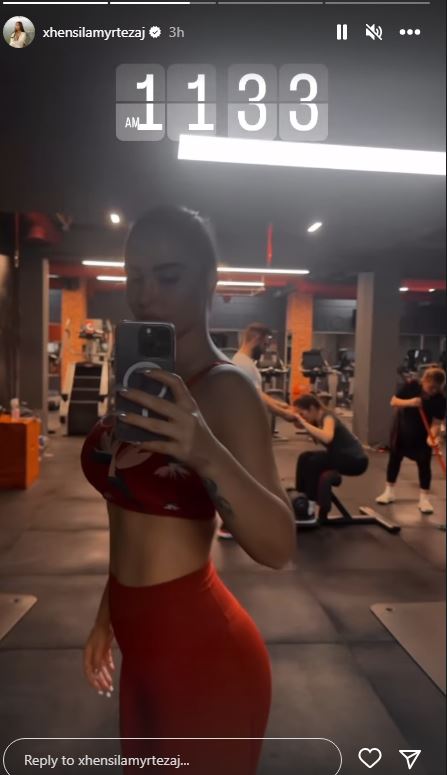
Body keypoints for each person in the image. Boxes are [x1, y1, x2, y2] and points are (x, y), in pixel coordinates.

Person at [81, 206, 296, 775]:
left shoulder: (227, 391)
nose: (145, 296)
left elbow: (279, 546)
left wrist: (204, 450)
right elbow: (127, 510)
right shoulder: (142, 384)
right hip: (141, 649)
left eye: (168, 276)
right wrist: (107, 615)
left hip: (205, 658)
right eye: (134, 276)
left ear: (210, 281)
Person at [376, 366, 446, 514]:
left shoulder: (440, 399)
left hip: (422, 434)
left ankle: (424, 499)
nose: (433, 391)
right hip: (402, 428)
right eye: (431, 387)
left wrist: (432, 437)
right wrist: (411, 402)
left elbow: (436, 423)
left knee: (424, 464)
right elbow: (394, 401)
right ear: (424, 381)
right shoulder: (413, 386)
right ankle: (389, 492)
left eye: (437, 388)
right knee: (394, 459)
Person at [293, 394, 369, 518]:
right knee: (304, 457)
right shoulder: (317, 420)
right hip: (341, 456)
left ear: (312, 408)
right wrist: (300, 422)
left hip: (356, 461)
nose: (302, 417)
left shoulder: (328, 417)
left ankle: (310, 506)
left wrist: (303, 422)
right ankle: (301, 498)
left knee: (314, 462)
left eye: (302, 413)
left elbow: (327, 438)